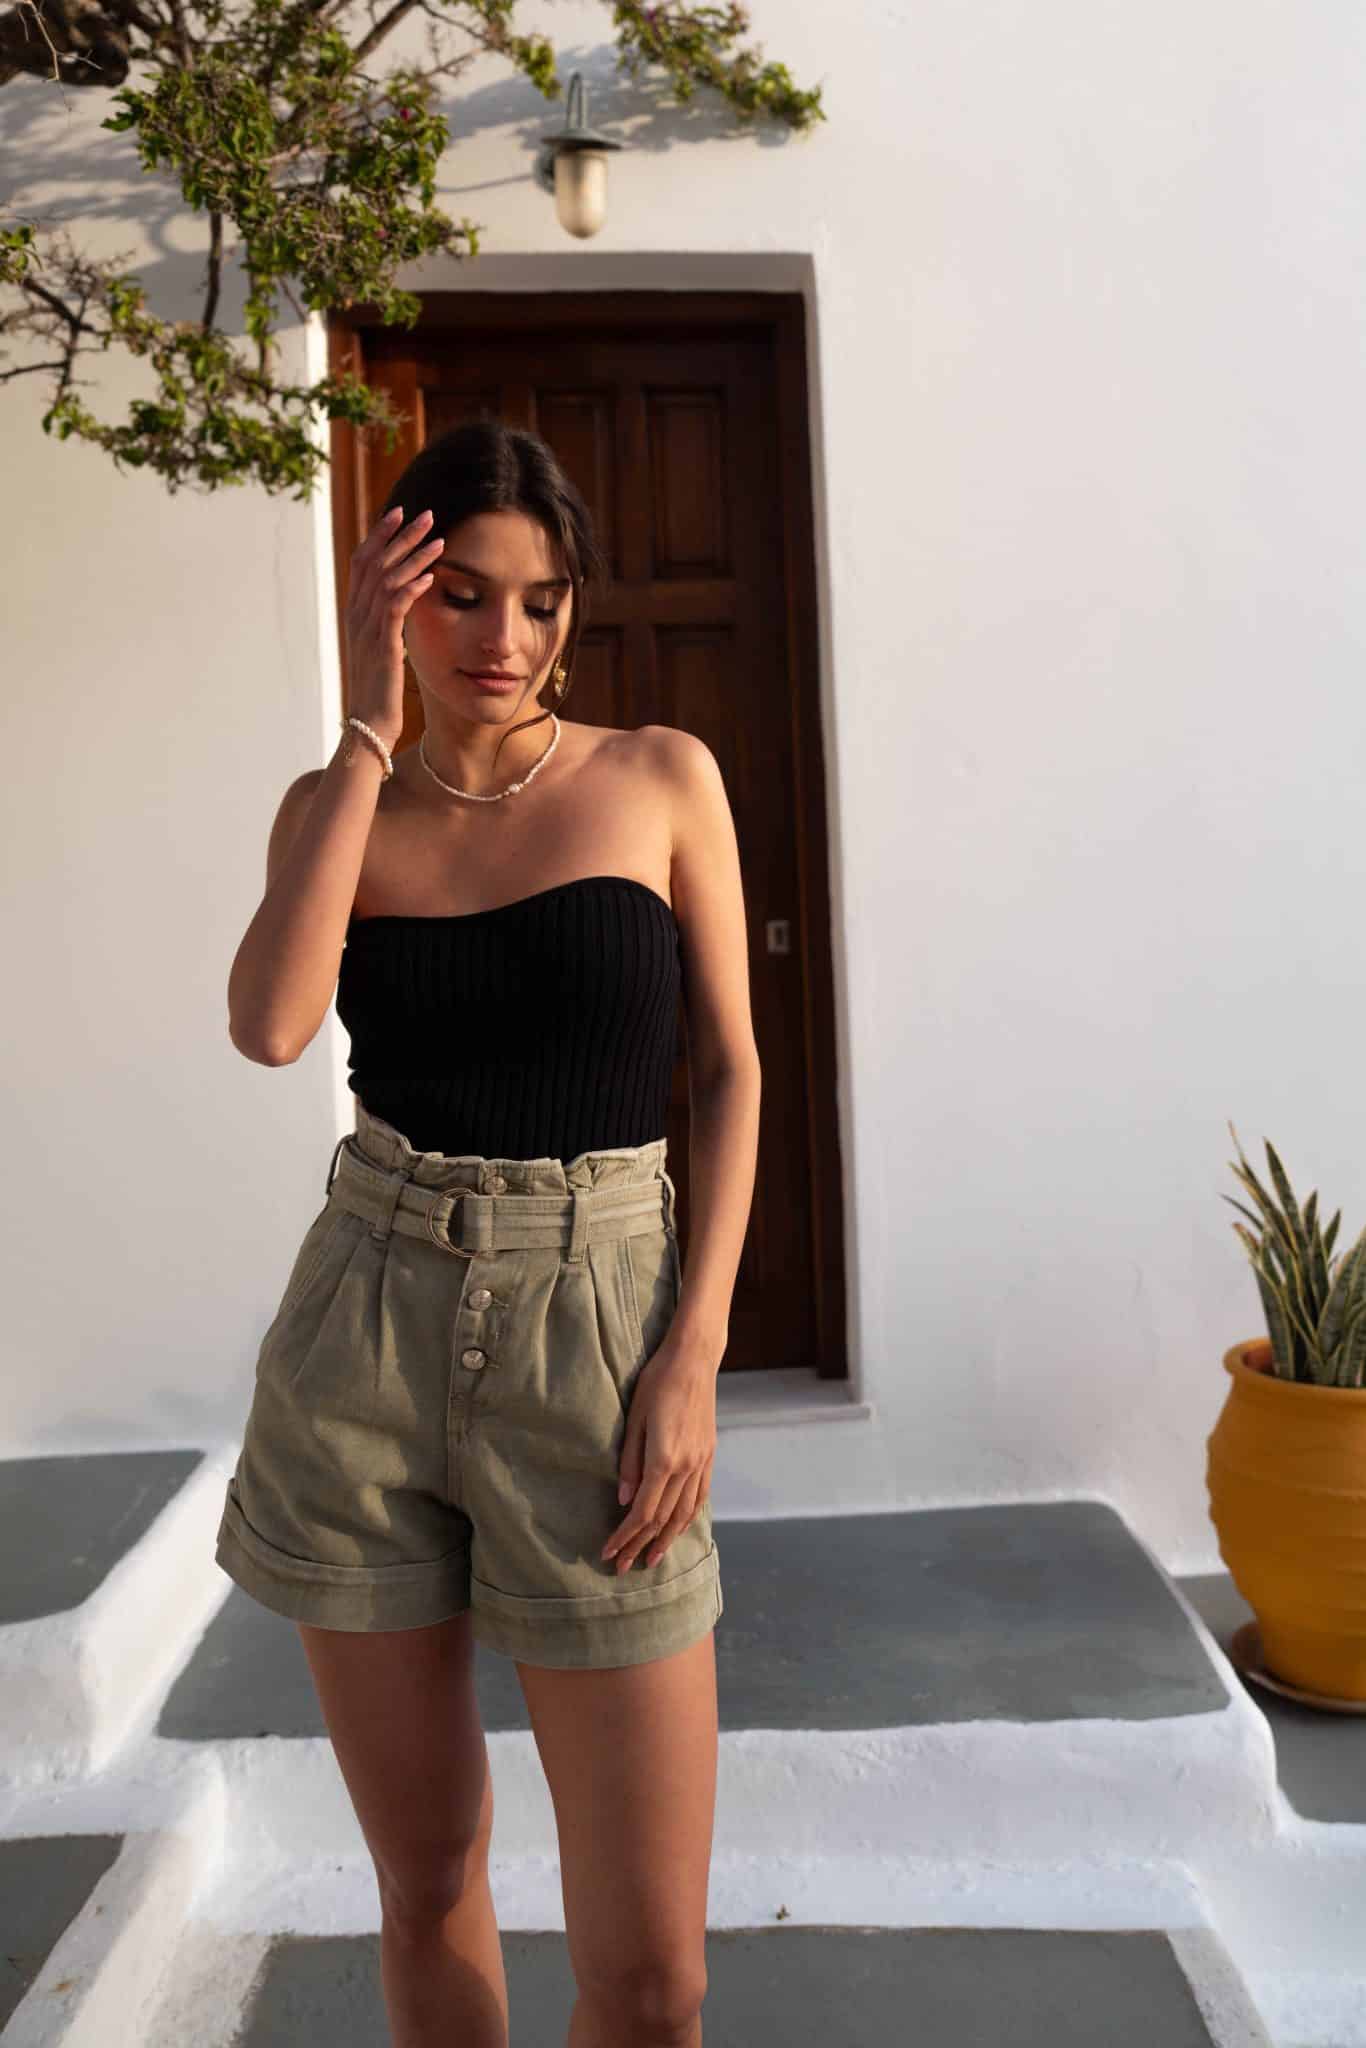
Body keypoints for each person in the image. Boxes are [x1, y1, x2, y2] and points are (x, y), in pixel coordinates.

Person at [216, 417, 762, 2048]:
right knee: (428, 1871)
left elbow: (728, 1072)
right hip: (367, 1334)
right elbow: (270, 1026)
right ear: (393, 597)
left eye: (537, 600)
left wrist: (694, 1353)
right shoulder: (338, 808)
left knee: (652, 1983)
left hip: (598, 1330)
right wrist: (363, 734)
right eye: (458, 593)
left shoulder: (657, 777)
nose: (501, 638)